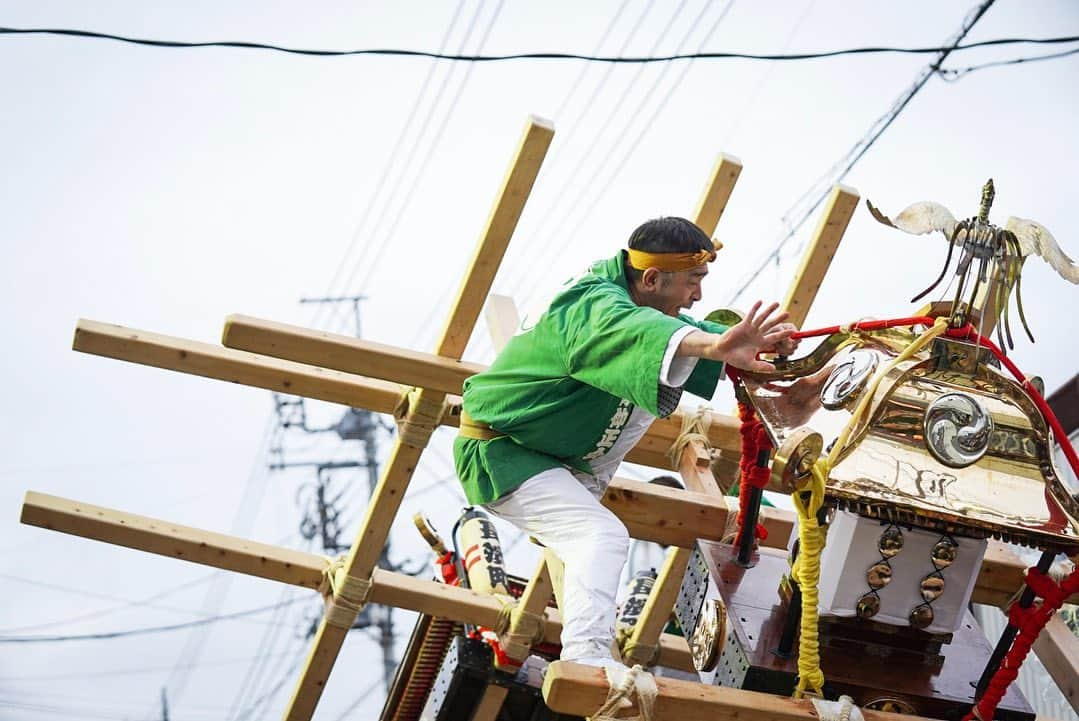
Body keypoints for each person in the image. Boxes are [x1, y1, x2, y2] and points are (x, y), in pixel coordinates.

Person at [453, 216, 798, 669]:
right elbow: (632, 330)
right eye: (693, 281)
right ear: (652, 279)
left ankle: (589, 652)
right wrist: (714, 348)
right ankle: (588, 659)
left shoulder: (636, 306)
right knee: (600, 535)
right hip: (505, 454)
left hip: (560, 463)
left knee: (658, 375)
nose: (698, 294)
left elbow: (672, 331)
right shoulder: (591, 304)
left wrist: (785, 367)